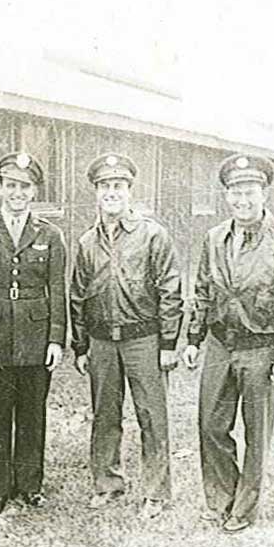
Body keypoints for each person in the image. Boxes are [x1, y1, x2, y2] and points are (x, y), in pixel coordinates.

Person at [182, 153, 274, 533]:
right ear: (227, 196)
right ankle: (221, 498)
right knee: (211, 426)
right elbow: (203, 290)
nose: (242, 200)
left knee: (256, 434)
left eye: (249, 192)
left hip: (261, 349)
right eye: (235, 192)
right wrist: (194, 338)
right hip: (221, 347)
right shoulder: (214, 238)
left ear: (264, 193)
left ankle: (244, 508)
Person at [69, 152, 183, 520]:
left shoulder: (152, 235)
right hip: (102, 342)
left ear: (129, 190)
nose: (111, 193)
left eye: (118, 186)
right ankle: (107, 484)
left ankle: (156, 493)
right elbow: (77, 295)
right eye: (104, 187)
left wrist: (168, 344)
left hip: (142, 339)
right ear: (96, 193)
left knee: (152, 416)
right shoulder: (87, 242)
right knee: (105, 415)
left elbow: (170, 290)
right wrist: (81, 345)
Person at [0, 152, 67, 517]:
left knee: (32, 413)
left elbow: (58, 289)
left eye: (24, 186)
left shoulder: (50, 234)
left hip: (35, 337)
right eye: (10, 186)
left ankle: (30, 486)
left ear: (34, 190)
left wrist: (56, 339)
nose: (17, 193)